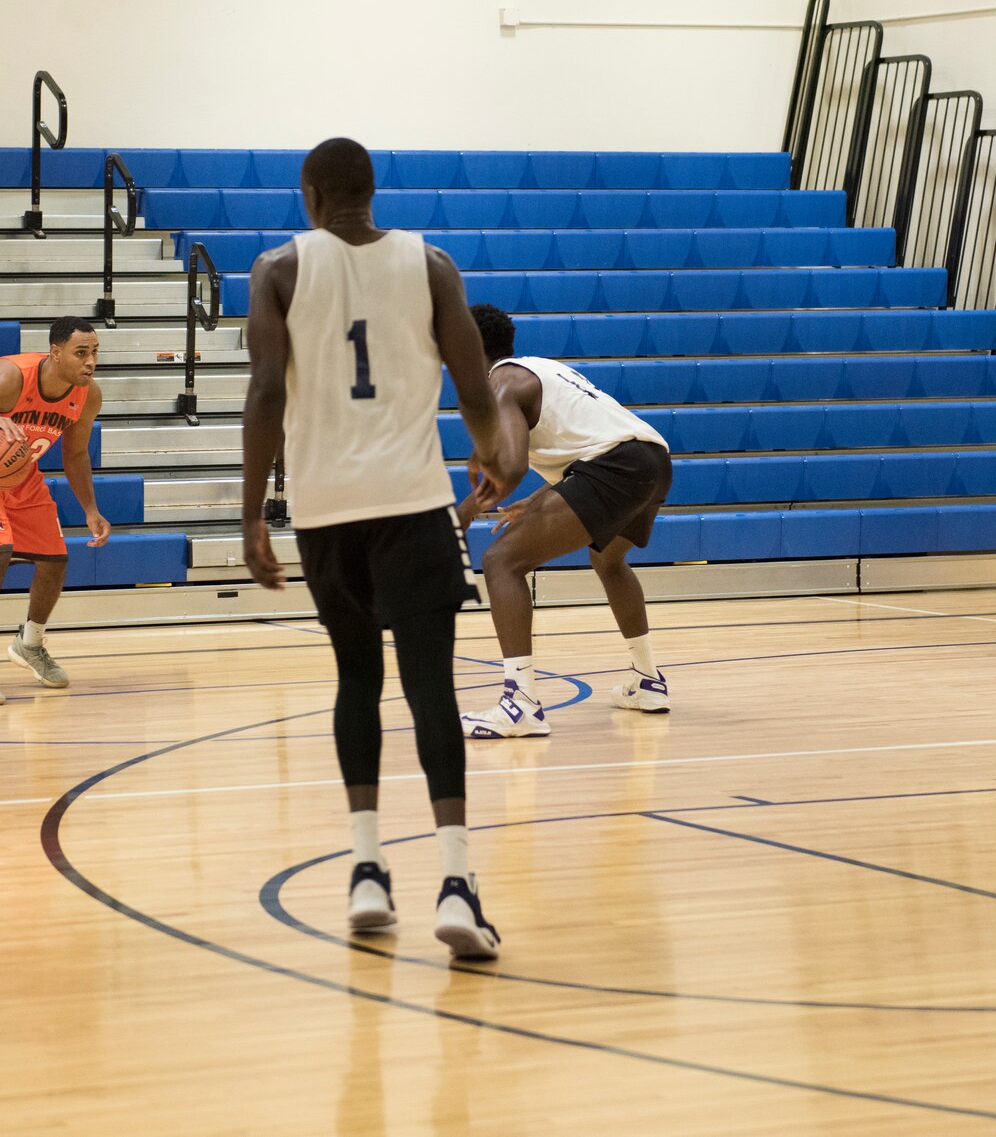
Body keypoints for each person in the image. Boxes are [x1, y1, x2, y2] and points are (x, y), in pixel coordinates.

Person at [240, 137, 518, 958]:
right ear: (369, 191)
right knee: (429, 685)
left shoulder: (277, 269)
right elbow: (475, 391)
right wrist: (495, 453)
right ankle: (458, 886)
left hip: (326, 512)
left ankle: (367, 871)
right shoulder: (431, 266)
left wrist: (254, 514)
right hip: (412, 503)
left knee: (355, 677)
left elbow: (262, 393)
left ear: (312, 196)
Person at [453, 303, 674, 739]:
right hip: (652, 460)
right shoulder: (537, 368)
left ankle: (520, 706)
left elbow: (510, 469)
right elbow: (583, 443)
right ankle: (648, 681)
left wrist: (457, 520)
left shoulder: (501, 381)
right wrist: (541, 498)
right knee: (608, 562)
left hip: (615, 468)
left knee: (501, 562)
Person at [0, 316, 109, 705]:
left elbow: (77, 453)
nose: (90, 362)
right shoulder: (9, 376)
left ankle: (30, 644)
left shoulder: (87, 395)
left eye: (95, 352)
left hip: (18, 469)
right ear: (55, 352)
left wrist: (90, 509)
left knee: (55, 559)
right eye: (81, 353)